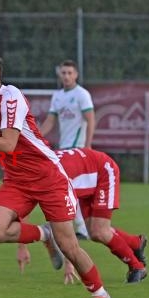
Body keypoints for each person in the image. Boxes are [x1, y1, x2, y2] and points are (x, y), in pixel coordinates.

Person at [0, 46, 111, 298]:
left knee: (69, 245)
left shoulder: (11, 96)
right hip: (17, 180)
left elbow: (10, 144)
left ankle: (100, 293)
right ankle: (42, 233)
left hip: (48, 177)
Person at [16, 148, 148, 284]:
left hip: (102, 171)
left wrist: (70, 262)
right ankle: (135, 243)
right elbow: (24, 210)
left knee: (100, 232)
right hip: (84, 175)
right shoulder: (33, 172)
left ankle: (137, 267)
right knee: (95, 233)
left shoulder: (56, 179)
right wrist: (22, 248)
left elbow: (65, 223)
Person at [40, 59, 95, 240]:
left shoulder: (82, 94)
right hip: (63, 148)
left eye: (70, 73)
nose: (66, 76)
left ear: (76, 74)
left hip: (78, 148)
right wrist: (35, 137)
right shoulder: (57, 96)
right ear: (60, 74)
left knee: (70, 187)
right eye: (63, 73)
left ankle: (80, 227)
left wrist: (87, 145)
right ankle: (80, 227)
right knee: (68, 187)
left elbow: (90, 119)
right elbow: (50, 121)